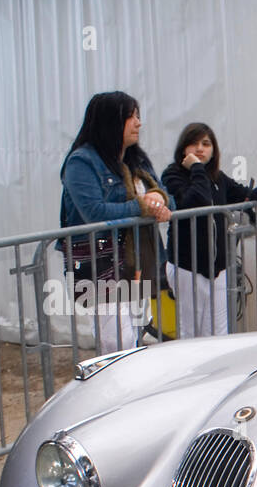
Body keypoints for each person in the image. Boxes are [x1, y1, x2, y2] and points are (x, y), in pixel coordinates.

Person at [60, 91, 173, 354]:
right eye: (131, 117)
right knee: (116, 342)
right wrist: (145, 206)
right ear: (110, 121)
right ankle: (115, 392)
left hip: (137, 258)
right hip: (98, 259)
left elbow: (169, 198)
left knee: (135, 334)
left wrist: (159, 198)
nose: (138, 123)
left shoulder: (137, 158)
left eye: (138, 116)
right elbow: (94, 213)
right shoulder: (81, 161)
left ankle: (131, 392)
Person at [161, 123, 257, 337]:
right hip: (188, 266)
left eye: (206, 144)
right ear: (183, 148)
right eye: (193, 144)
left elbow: (244, 196)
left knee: (219, 332)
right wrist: (196, 169)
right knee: (191, 333)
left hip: (218, 268)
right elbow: (197, 200)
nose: (200, 149)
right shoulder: (173, 175)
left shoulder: (217, 177)